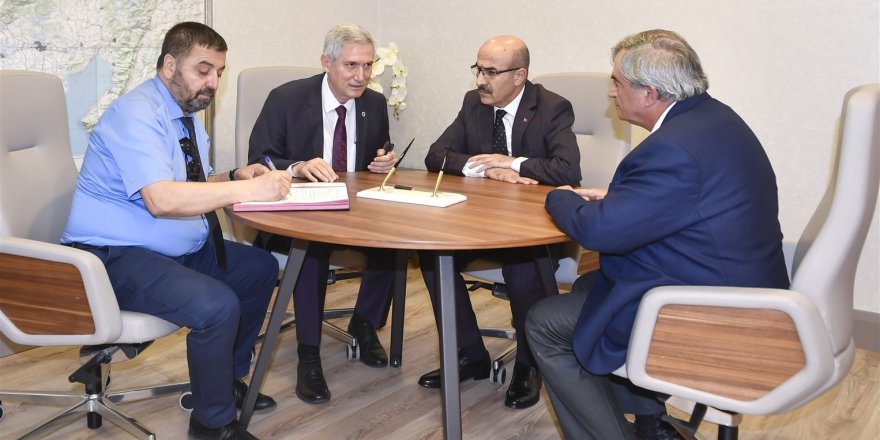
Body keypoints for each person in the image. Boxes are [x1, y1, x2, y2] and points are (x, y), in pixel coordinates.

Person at [525, 29, 790, 439]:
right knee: (589, 286)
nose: (611, 92)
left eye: (617, 82)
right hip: (737, 285)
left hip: (714, 315)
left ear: (649, 93)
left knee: (544, 322)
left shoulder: (673, 148)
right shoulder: (714, 119)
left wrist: (559, 196)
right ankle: (650, 420)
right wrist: (623, 199)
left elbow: (597, 232)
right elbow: (689, 199)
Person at [60, 22, 291, 440]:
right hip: (111, 256)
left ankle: (225, 383)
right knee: (217, 305)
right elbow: (162, 199)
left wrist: (235, 176)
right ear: (170, 65)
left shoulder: (185, 118)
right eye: (203, 70)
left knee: (258, 269)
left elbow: (191, 185)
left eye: (219, 72)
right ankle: (211, 424)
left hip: (169, 249)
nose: (213, 82)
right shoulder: (136, 113)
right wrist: (249, 189)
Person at [418, 35, 581, 410]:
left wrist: (511, 163)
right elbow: (436, 156)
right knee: (431, 257)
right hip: (481, 225)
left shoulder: (552, 108)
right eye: (478, 69)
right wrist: (485, 169)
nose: (480, 80)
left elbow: (567, 170)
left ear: (519, 76)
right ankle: (470, 354)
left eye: (491, 72)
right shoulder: (473, 104)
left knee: (522, 268)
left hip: (534, 230)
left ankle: (528, 363)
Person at [248, 23, 398, 405]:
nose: (361, 75)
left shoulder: (374, 103)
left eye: (368, 65)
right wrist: (297, 166)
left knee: (395, 241)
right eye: (351, 65)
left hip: (355, 212)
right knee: (311, 250)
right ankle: (309, 353)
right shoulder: (286, 99)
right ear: (326, 62)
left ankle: (365, 323)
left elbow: (378, 152)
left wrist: (385, 161)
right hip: (298, 215)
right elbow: (259, 159)